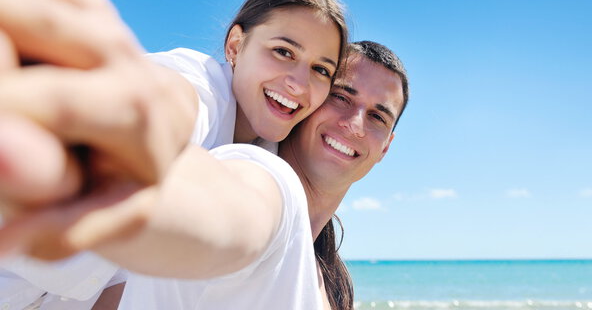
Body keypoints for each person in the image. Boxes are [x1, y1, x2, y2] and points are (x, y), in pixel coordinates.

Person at [0, 0, 348, 308]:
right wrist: (130, 121)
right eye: (283, 52)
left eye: (321, 70)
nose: (299, 84)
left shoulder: (266, 156)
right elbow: (171, 102)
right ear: (235, 46)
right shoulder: (198, 82)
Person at [0, 40, 410, 310]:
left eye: (377, 116)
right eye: (340, 96)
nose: (355, 123)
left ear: (386, 147)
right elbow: (229, 217)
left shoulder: (331, 285)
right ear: (309, 100)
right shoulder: (260, 178)